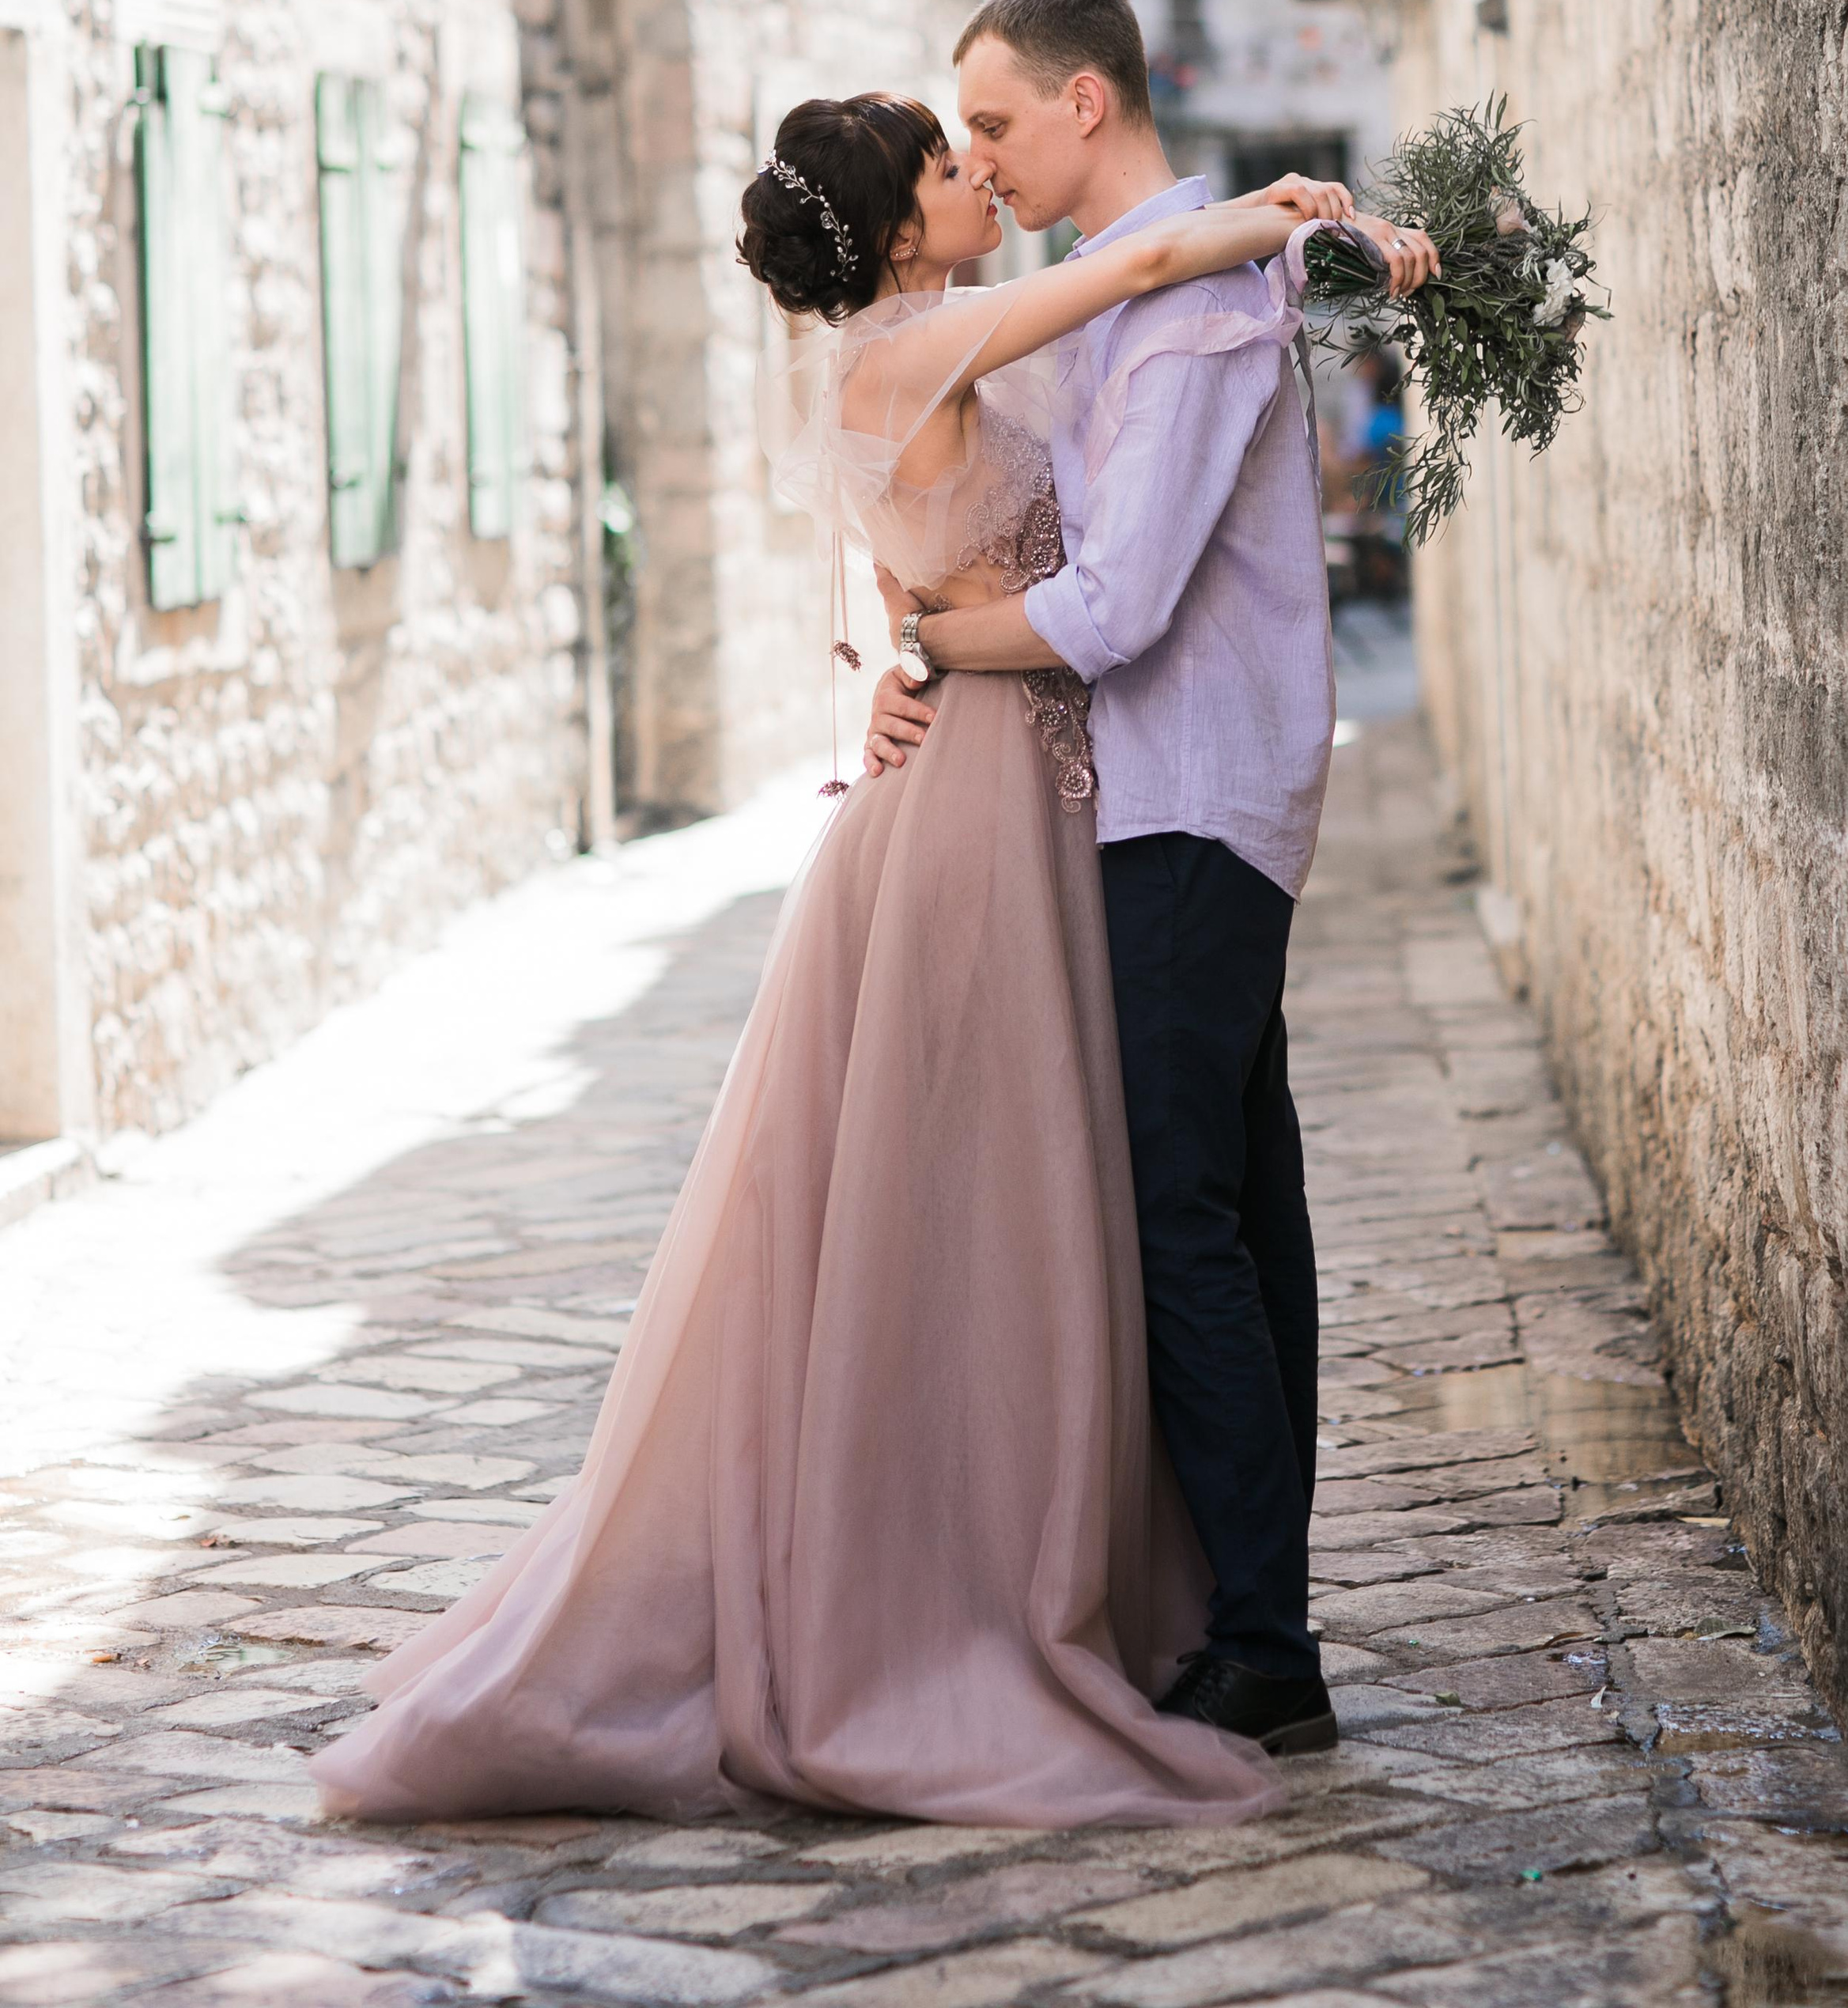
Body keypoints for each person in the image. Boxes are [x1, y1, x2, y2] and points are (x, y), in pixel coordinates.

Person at [310, 88, 1419, 1831]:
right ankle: (972, 1587)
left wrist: (906, 640)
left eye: (979, 140)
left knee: (1044, 1191)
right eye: (943, 159)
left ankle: (1112, 1567)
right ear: (900, 230)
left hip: (1033, 777)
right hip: (991, 805)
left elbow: (908, 580)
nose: (977, 171)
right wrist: (1285, 210)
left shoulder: (917, 354)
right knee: (999, 1199)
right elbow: (1147, 271)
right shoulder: (927, 343)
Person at [864, 0, 1436, 1758]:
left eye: (997, 127)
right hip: (1164, 795)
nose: (980, 160)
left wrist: (937, 656)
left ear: (1087, 103)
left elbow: (1112, 609)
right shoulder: (1138, 297)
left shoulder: (1186, 320)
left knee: (1181, 1212)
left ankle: (1264, 1643)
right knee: (1237, 1202)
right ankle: (1252, 1611)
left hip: (1190, 795)